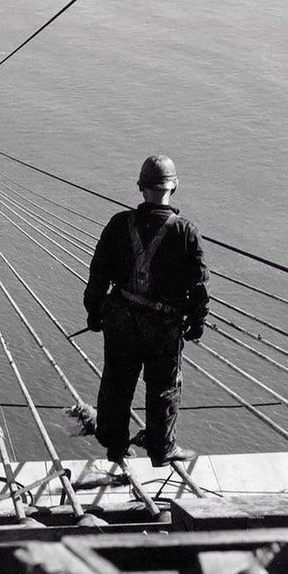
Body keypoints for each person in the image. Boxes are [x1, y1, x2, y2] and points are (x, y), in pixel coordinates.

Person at [83, 154, 209, 466]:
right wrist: (197, 322)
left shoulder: (119, 224)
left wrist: (94, 311)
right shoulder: (185, 232)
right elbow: (199, 287)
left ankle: (115, 445)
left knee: (116, 382)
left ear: (141, 188)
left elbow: (98, 272)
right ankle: (161, 449)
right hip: (163, 327)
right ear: (174, 187)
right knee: (163, 386)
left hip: (122, 319)